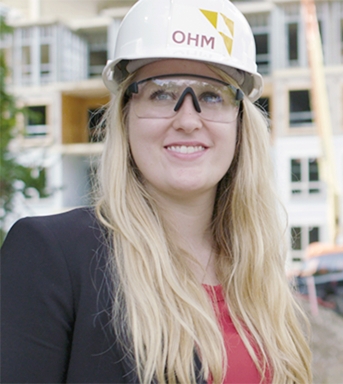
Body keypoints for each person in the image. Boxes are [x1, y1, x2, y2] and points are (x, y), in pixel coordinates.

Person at [0, 0, 312, 383]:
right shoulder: (53, 258)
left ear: (240, 123)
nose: (187, 120)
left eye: (212, 95)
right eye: (161, 94)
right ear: (126, 115)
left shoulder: (257, 271)